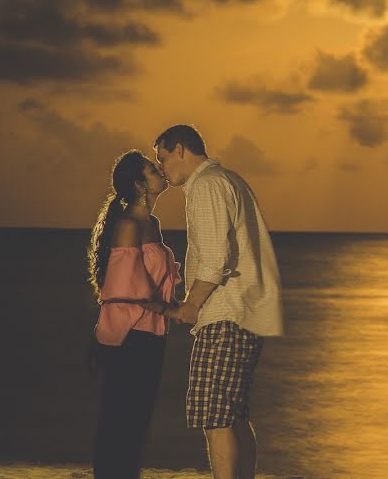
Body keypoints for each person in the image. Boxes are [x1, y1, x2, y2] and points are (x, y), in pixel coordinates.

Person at [153, 124, 283, 479]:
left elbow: (214, 257)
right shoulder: (230, 180)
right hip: (247, 312)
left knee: (214, 415)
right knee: (234, 414)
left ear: (180, 149)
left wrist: (191, 304)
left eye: (162, 158)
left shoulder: (207, 185)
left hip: (226, 314)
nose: (161, 167)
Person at [87, 149, 182, 479]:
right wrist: (169, 308)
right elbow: (123, 283)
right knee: (120, 419)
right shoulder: (128, 224)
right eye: (153, 170)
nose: (161, 171)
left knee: (138, 418)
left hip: (151, 333)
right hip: (128, 335)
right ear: (141, 185)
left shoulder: (151, 223)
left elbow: (155, 278)